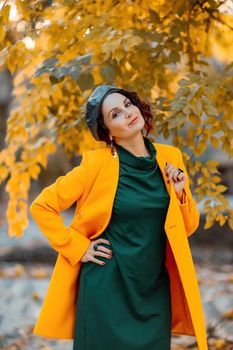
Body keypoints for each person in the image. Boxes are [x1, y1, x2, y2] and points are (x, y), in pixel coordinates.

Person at [29, 84, 208, 350]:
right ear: (107, 132)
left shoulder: (171, 158)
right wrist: (80, 248)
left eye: (127, 104)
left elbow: (188, 227)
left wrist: (181, 193)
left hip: (153, 290)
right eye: (115, 114)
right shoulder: (95, 165)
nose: (127, 113)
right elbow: (42, 206)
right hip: (106, 289)